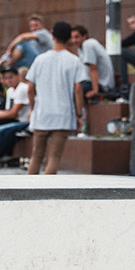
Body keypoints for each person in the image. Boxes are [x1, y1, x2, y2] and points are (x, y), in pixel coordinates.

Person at [26, 21, 86, 175]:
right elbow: (78, 89)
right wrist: (79, 115)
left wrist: (32, 108)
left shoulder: (40, 59)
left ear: (52, 36)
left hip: (41, 113)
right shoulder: (74, 60)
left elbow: (30, 88)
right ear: (69, 39)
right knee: (54, 158)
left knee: (36, 155)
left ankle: (27, 190)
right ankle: (46, 191)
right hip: (62, 114)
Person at [70, 24, 115, 100]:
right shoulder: (81, 48)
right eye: (72, 38)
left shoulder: (88, 44)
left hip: (102, 85)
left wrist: (95, 91)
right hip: (94, 82)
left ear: (84, 36)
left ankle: (80, 111)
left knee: (73, 91)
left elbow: (93, 69)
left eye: (77, 37)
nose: (74, 40)